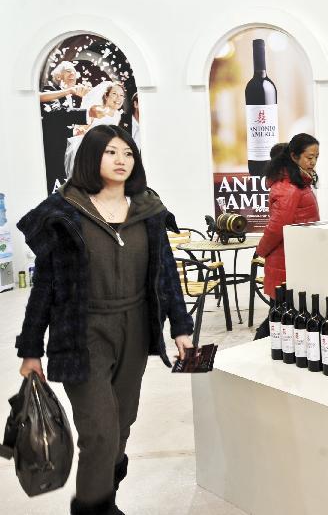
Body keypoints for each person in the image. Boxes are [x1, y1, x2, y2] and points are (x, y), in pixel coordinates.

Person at [15, 125, 194, 514]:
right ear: (90, 157)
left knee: (123, 422)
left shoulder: (148, 209)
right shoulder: (64, 214)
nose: (121, 160)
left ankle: (106, 495)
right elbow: (44, 287)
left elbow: (165, 274)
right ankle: (93, 508)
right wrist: (30, 349)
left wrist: (180, 327)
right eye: (111, 152)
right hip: (82, 333)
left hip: (134, 327)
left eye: (128, 153)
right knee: (99, 430)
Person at [254, 134, 320, 338]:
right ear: (294, 156)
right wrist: (260, 251)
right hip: (285, 260)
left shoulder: (297, 181)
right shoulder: (288, 186)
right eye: (309, 157)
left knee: (283, 313)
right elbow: (276, 227)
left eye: (316, 157)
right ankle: (254, 352)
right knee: (280, 314)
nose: (313, 162)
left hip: (294, 257)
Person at [39, 61, 92, 193]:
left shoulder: (71, 98)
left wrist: (75, 130)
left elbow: (62, 122)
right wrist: (88, 113)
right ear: (58, 77)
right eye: (68, 70)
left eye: (74, 71)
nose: (73, 73)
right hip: (52, 150)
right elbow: (56, 114)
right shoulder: (50, 89)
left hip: (65, 150)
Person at [64, 82, 127, 178]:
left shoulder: (117, 115)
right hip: (89, 151)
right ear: (106, 96)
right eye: (114, 94)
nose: (118, 98)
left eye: (121, 95)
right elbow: (78, 131)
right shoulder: (95, 110)